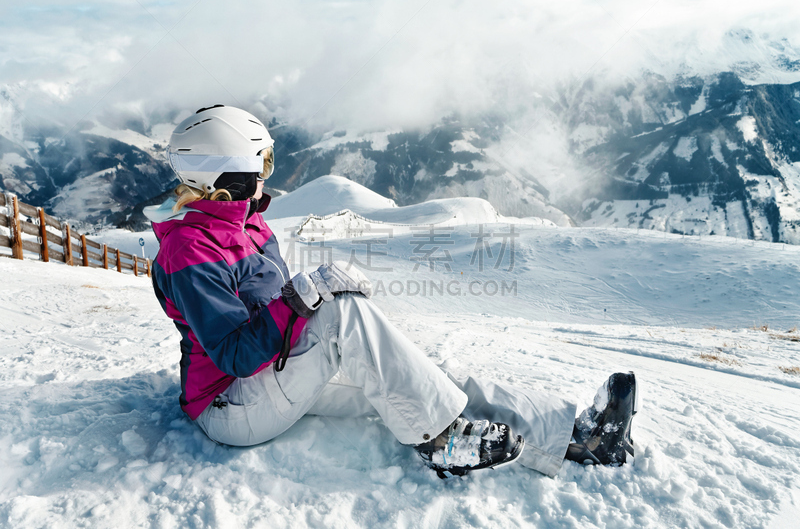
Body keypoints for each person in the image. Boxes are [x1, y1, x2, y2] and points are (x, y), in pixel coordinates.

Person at [145, 105, 639, 478]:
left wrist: (304, 300)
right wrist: (304, 298)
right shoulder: (190, 250)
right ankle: (443, 442)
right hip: (230, 406)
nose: (265, 176)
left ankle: (578, 437)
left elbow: (272, 314)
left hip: (274, 379)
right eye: (261, 165)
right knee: (344, 315)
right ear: (229, 173)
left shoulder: (250, 227)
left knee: (425, 379)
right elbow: (234, 353)